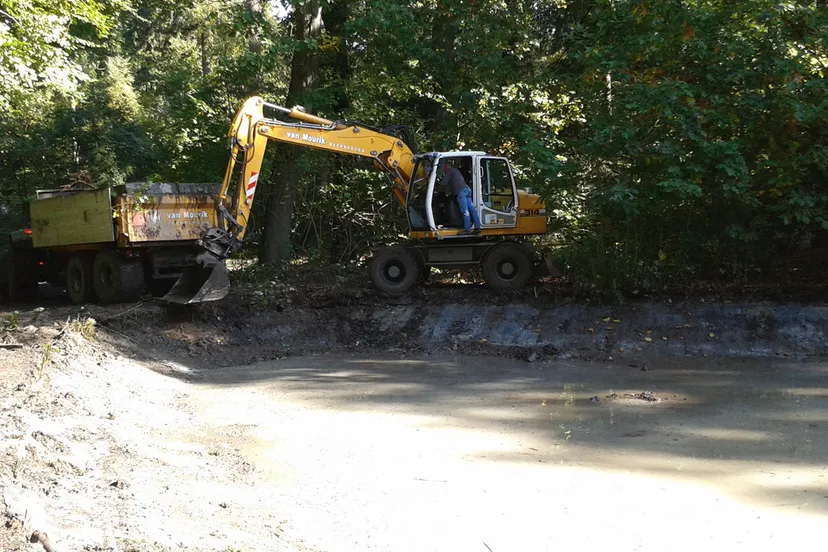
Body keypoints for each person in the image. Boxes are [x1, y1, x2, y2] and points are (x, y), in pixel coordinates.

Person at [441, 161, 481, 234]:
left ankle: (467, 230)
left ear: (446, 166)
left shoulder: (450, 171)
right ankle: (477, 227)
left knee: (465, 211)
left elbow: (444, 183)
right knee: (472, 210)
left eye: (443, 167)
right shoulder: (455, 170)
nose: (442, 169)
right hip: (467, 190)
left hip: (461, 192)